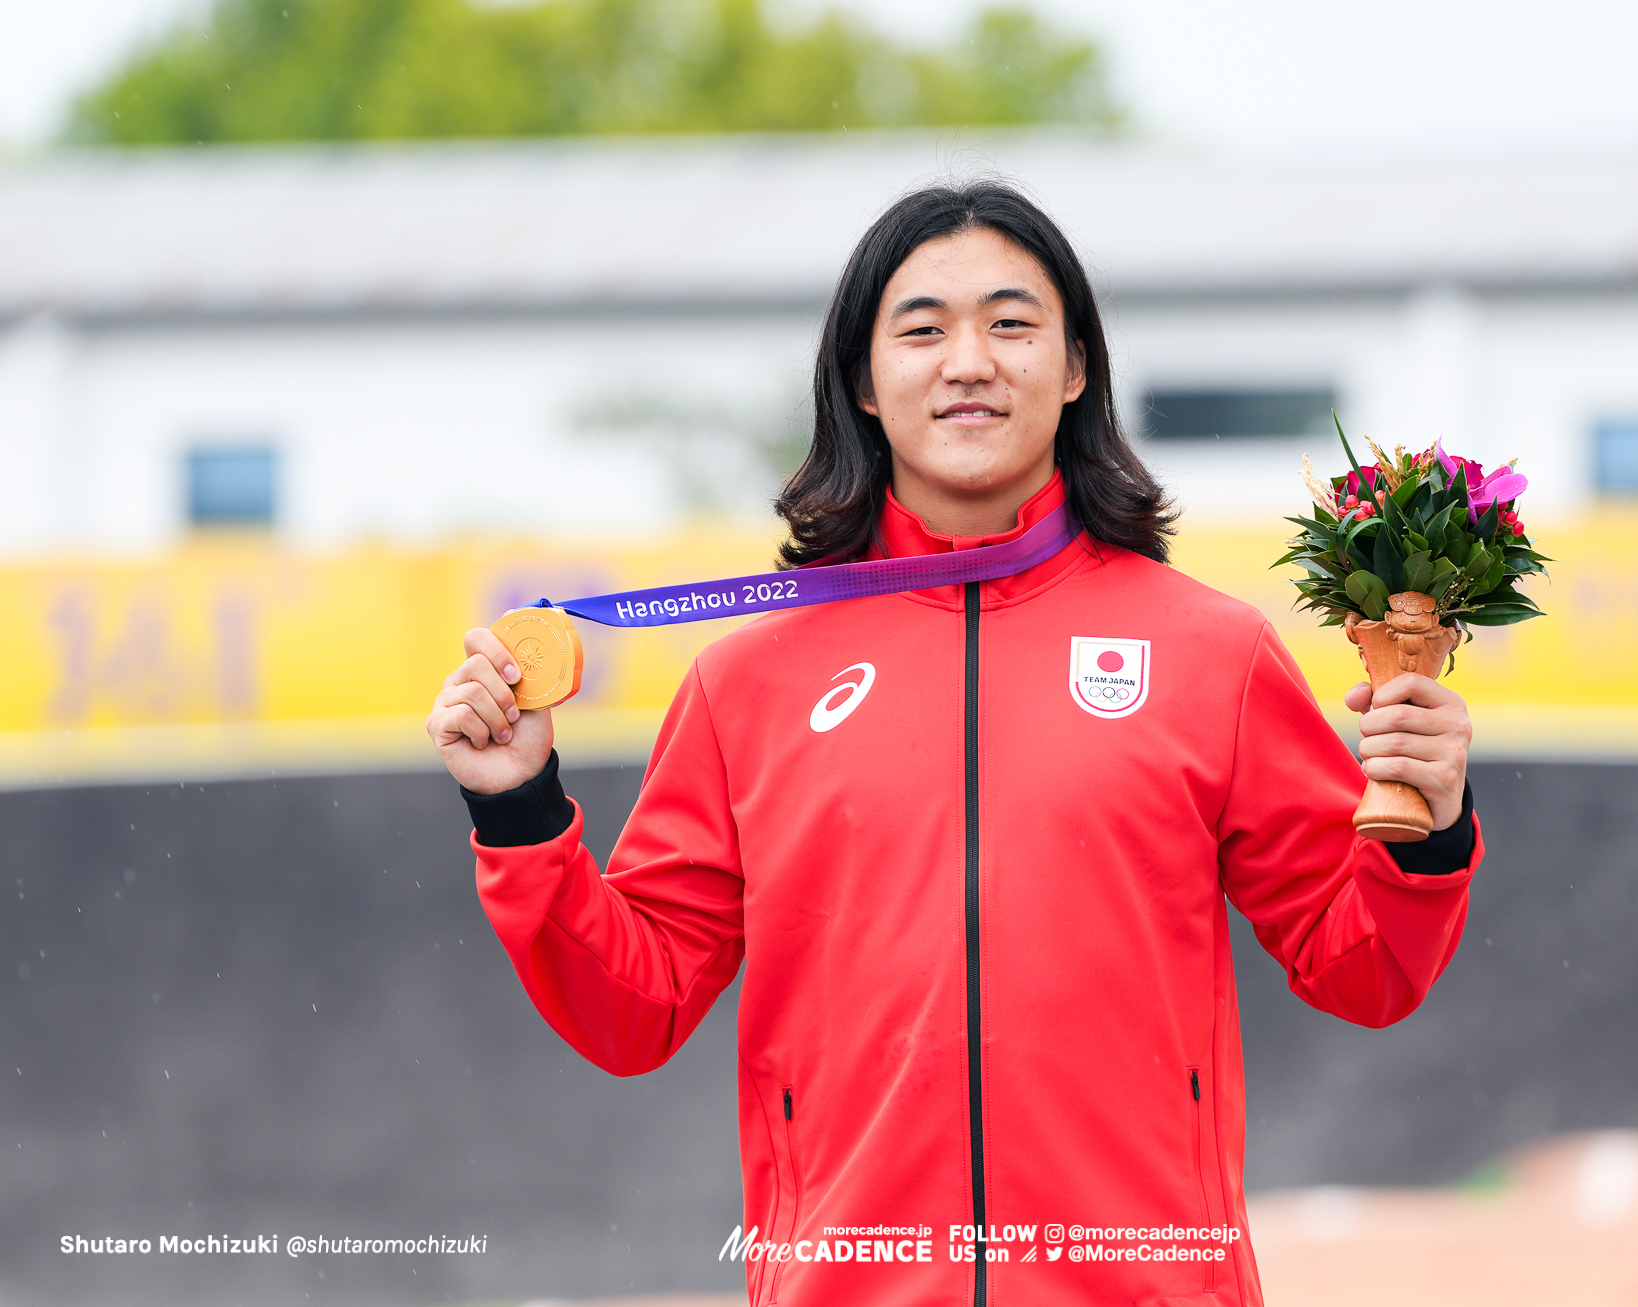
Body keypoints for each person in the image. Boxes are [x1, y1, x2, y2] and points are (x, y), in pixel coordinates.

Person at [426, 182, 1480, 1307]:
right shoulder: (748, 680)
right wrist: (520, 808)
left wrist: (1429, 824)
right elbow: (630, 1011)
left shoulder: (1210, 652)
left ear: (1075, 369)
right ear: (864, 384)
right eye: (922, 328)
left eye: (1012, 323)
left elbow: (1363, 969)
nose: (968, 360)